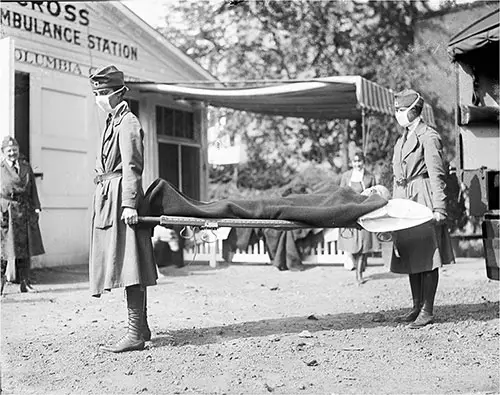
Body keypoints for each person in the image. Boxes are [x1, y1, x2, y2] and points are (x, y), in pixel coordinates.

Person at [89, 65, 157, 352]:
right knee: (124, 263)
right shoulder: (112, 121)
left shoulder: (127, 122)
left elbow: (132, 166)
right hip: (108, 197)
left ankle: (135, 334)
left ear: (118, 93)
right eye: (96, 93)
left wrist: (130, 203)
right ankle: (141, 327)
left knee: (131, 265)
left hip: (121, 199)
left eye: (103, 92)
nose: (99, 97)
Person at [390, 89, 454, 329]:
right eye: (396, 110)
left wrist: (440, 207)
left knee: (427, 256)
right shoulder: (402, 139)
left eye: (400, 110)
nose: (397, 114)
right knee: (411, 255)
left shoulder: (429, 136)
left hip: (423, 197)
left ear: (413, 110)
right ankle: (416, 306)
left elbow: (437, 173)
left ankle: (427, 310)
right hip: (404, 199)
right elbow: (397, 176)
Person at [1, 136, 45, 295]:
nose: (12, 153)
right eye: (9, 151)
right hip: (6, 211)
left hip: (24, 210)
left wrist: (36, 207)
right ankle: (0, 285)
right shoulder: (0, 168)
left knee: (25, 249)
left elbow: (32, 188)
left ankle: (25, 283)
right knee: (4, 249)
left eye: (15, 150)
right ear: (3, 152)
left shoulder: (26, 167)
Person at [338, 151, 377, 285]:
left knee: (363, 246)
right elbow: (340, 194)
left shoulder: (369, 177)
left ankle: (359, 274)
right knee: (352, 245)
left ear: (363, 162)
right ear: (351, 163)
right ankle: (356, 268)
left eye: (359, 161)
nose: (357, 164)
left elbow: (374, 194)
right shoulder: (346, 176)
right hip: (350, 213)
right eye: (355, 161)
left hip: (364, 213)